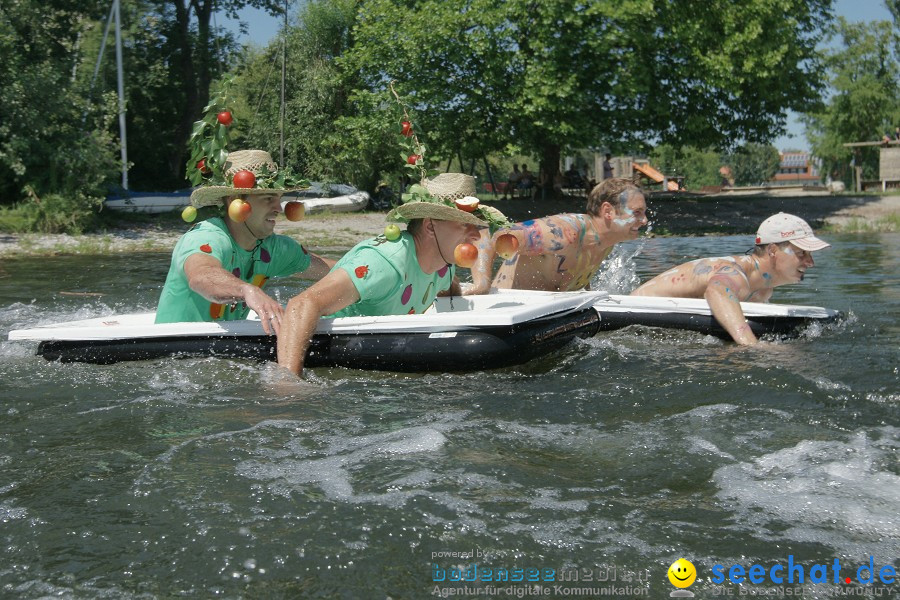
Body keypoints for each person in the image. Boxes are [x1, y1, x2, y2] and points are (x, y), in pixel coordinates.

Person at [277, 173, 510, 376]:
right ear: (430, 227)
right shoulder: (383, 263)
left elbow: (448, 284)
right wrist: (288, 384)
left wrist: (461, 299)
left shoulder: (443, 265)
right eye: (464, 225)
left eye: (475, 226)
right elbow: (300, 304)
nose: (477, 236)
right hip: (327, 350)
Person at [155, 150, 334, 333]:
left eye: (279, 199)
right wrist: (247, 290)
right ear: (234, 200)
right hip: (170, 351)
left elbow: (335, 272)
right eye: (268, 198)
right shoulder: (206, 236)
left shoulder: (274, 248)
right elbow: (201, 276)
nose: (278, 208)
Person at [631, 212, 830, 345]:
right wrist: (752, 345)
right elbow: (717, 291)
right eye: (801, 253)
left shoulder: (763, 290)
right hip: (627, 314)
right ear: (772, 250)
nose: (810, 262)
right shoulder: (735, 273)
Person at [469, 177, 649, 293]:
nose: (645, 221)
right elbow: (488, 235)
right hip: (505, 320)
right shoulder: (560, 233)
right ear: (608, 211)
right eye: (637, 212)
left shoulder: (605, 242)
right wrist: (481, 284)